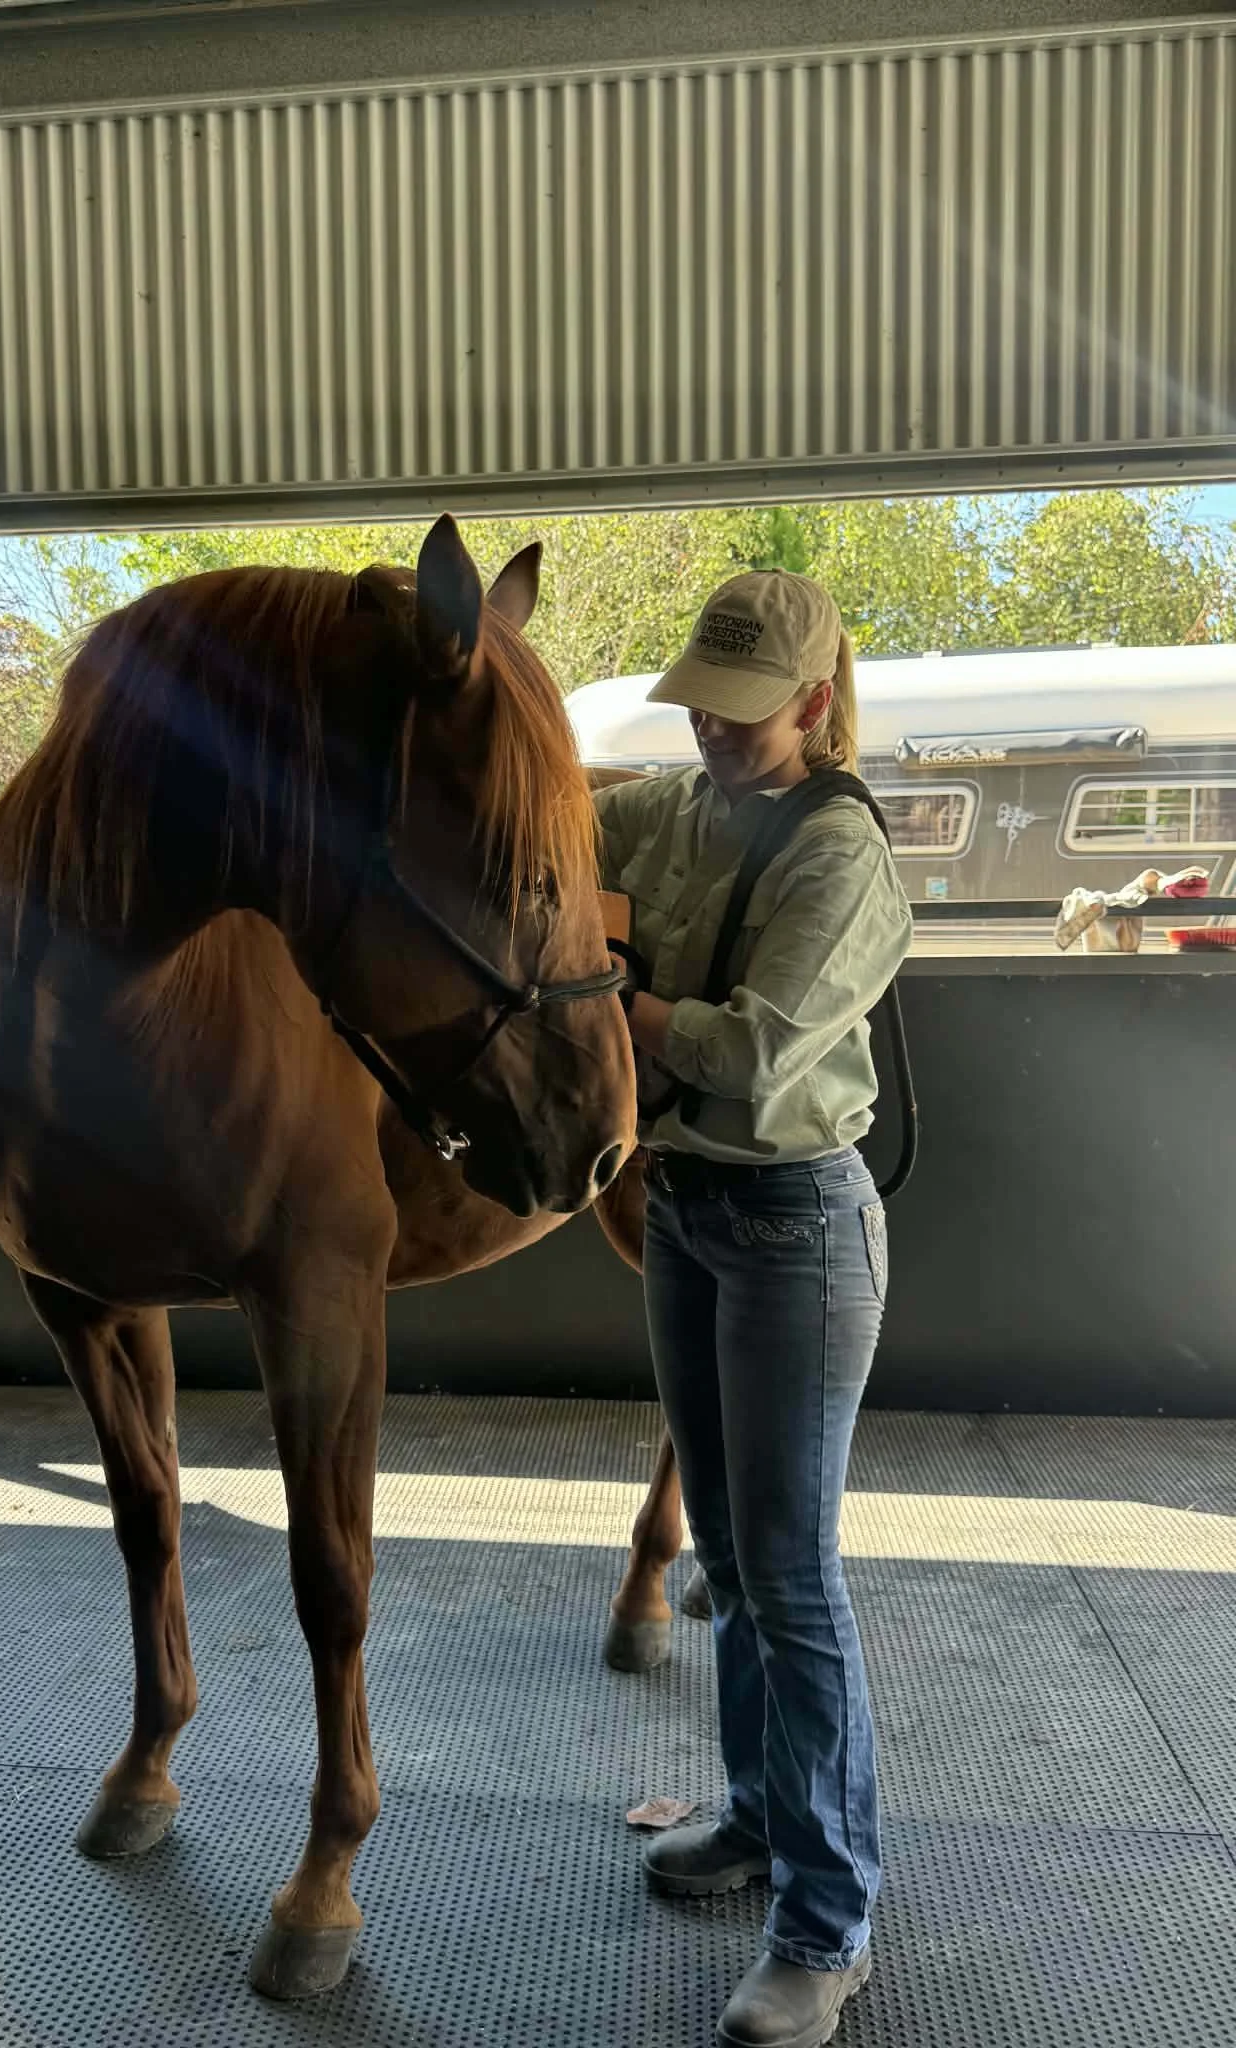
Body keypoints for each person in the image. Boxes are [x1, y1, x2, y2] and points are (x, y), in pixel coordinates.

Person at [594, 571, 912, 2048]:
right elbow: (551, 833)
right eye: (699, 708)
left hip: (796, 1227)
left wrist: (597, 999)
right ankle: (754, 1815)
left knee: (789, 1580)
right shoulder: (672, 806)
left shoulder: (840, 851)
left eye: (740, 713)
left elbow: (757, 1052)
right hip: (685, 1209)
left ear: (814, 705)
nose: (711, 733)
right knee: (724, 1557)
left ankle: (826, 1923)